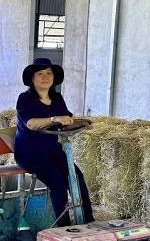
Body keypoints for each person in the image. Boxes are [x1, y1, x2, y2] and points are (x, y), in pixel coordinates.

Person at [14, 57, 94, 227]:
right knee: (58, 181)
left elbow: (67, 119)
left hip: (52, 150)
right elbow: (31, 123)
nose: (45, 77)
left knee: (76, 177)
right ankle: (63, 226)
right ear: (32, 79)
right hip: (30, 153)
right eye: (40, 74)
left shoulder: (57, 98)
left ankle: (88, 221)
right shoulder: (25, 99)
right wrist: (54, 118)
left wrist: (82, 123)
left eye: (49, 73)